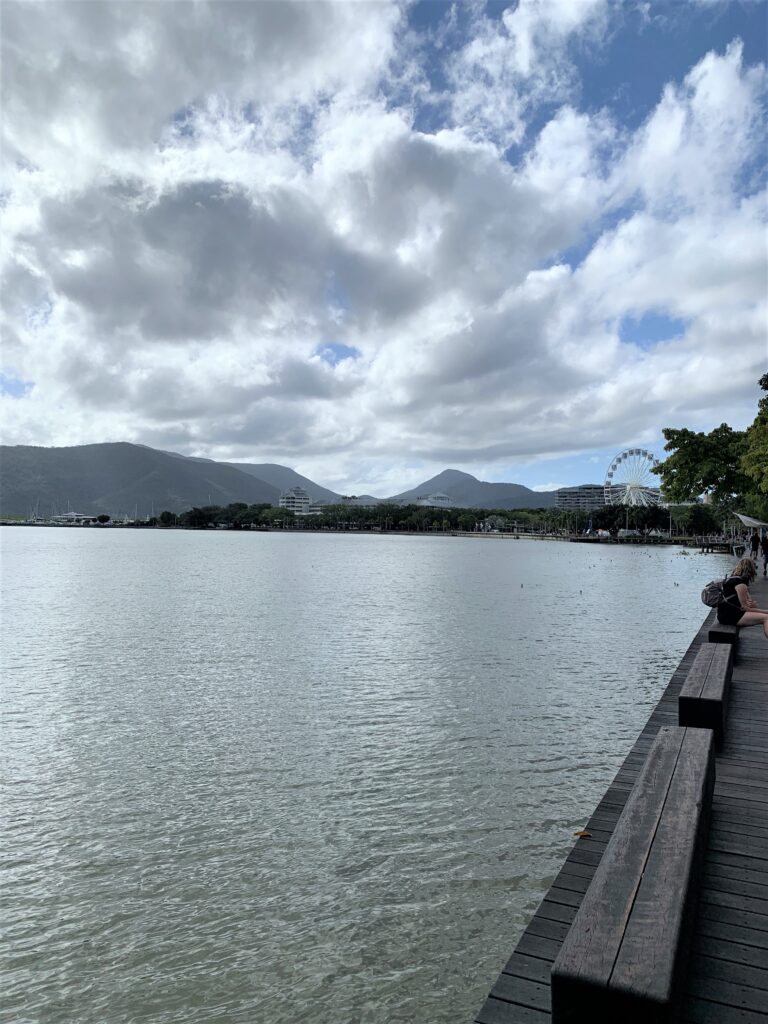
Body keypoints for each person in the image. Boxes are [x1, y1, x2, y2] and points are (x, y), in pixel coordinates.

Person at [716, 557, 768, 638]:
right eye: (754, 567)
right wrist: (765, 611)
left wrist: (750, 603)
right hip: (730, 616)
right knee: (766, 618)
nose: (756, 569)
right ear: (749, 569)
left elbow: (746, 603)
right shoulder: (740, 583)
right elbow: (745, 608)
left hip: (726, 613)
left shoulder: (733, 579)